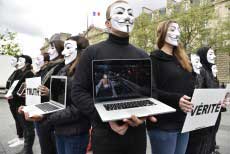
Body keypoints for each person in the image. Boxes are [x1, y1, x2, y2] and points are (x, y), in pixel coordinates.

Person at [71, 1, 156, 154]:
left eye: (130, 13)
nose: (127, 16)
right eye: (120, 12)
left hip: (136, 136)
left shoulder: (143, 55)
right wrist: (106, 117)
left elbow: (152, 91)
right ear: (107, 24)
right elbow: (77, 92)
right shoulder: (91, 52)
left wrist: (143, 116)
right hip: (105, 135)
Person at [24, 35, 91, 154]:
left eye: (68, 48)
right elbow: (57, 100)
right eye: (64, 48)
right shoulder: (64, 70)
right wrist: (34, 109)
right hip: (60, 129)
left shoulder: (84, 73)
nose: (64, 52)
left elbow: (78, 108)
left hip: (75, 133)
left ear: (80, 51)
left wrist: (46, 117)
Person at [147, 20, 194, 154]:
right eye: (172, 29)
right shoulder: (153, 59)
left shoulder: (182, 60)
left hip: (183, 121)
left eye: (178, 30)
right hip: (163, 124)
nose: (177, 33)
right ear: (161, 33)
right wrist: (176, 99)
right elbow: (151, 91)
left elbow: (190, 88)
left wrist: (214, 101)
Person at [196, 46, 224, 154]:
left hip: (215, 109)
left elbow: (220, 89)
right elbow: (199, 90)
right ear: (203, 55)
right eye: (211, 54)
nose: (214, 56)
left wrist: (216, 76)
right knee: (205, 137)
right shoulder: (201, 70)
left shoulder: (212, 69)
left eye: (214, 54)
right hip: (205, 110)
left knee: (212, 134)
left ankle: (211, 149)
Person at [12, 55, 35, 154]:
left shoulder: (29, 73)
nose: (18, 62)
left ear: (27, 63)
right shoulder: (19, 72)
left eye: (21, 60)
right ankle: (26, 149)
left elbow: (28, 89)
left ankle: (28, 150)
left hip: (23, 103)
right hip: (17, 102)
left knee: (28, 128)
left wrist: (16, 93)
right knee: (24, 127)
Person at [6, 56, 24, 148]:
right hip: (11, 99)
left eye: (13, 60)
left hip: (16, 100)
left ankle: (21, 138)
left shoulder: (20, 72)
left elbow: (17, 86)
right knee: (16, 119)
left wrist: (12, 94)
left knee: (19, 119)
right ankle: (19, 137)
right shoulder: (16, 71)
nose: (11, 61)